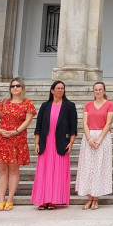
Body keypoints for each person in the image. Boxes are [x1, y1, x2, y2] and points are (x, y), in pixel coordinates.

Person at [0, 77, 36, 211]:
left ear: (22, 88)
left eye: (18, 86)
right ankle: (1, 199)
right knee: (2, 170)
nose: (15, 88)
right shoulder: (3, 102)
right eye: (12, 86)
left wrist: (15, 131)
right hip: (1, 138)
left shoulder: (28, 103)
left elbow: (28, 121)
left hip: (17, 139)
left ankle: (10, 199)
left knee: (14, 170)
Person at [32, 80, 77, 210]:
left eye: (62, 88)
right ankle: (43, 200)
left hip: (61, 143)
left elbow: (73, 127)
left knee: (58, 173)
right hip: (46, 143)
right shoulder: (45, 106)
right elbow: (38, 126)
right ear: (52, 91)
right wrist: (36, 143)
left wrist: (71, 142)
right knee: (44, 172)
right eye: (58, 88)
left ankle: (53, 200)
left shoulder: (69, 106)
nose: (60, 90)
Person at [76, 81, 113, 210]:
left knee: (99, 167)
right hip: (89, 137)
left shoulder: (110, 104)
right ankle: (89, 198)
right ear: (93, 91)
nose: (98, 92)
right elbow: (85, 123)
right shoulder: (88, 105)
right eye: (95, 90)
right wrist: (89, 138)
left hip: (103, 138)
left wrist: (98, 139)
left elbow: (108, 124)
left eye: (100, 89)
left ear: (104, 90)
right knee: (88, 167)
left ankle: (96, 198)